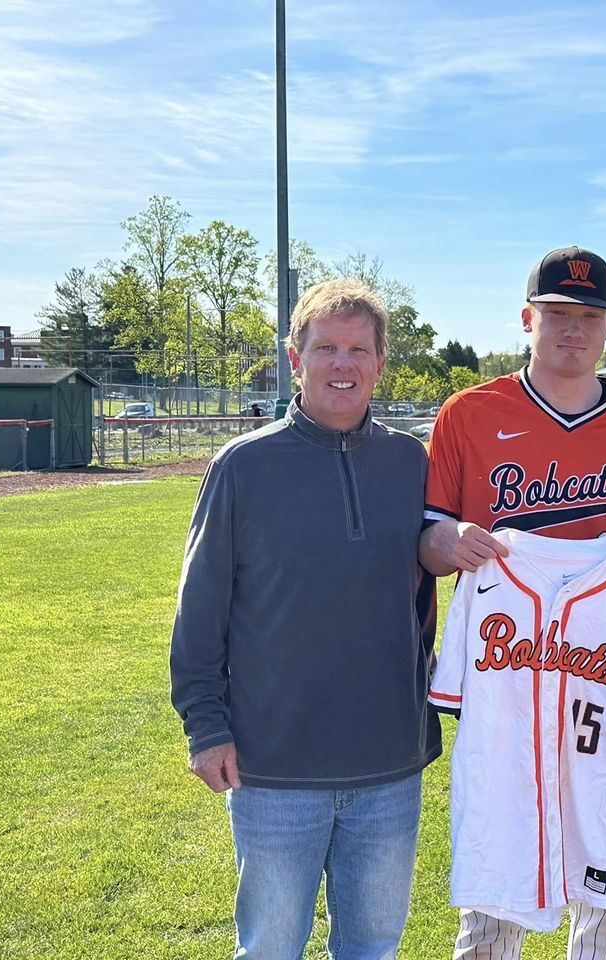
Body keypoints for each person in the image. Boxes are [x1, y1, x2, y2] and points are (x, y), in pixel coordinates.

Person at [170, 278, 441, 960]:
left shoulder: (410, 462)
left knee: (373, 947)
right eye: (326, 348)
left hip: (388, 769)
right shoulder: (244, 466)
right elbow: (200, 610)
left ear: (381, 362)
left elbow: (418, 601)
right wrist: (207, 728)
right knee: (269, 948)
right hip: (274, 768)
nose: (342, 364)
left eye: (358, 349)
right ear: (295, 358)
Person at [419, 245, 606, 960]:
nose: (573, 329)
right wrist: (450, 544)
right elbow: (428, 536)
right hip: (512, 684)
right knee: (496, 893)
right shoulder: (469, 414)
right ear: (529, 317)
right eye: (558, 313)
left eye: (590, 316)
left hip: (600, 686)